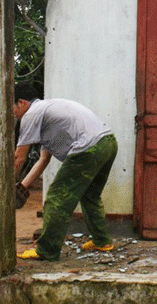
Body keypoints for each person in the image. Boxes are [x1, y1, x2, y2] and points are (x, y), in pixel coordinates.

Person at [13, 82, 118, 260]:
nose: (13, 114)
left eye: (12, 108)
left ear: (22, 103)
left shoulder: (31, 114)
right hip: (108, 143)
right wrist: (22, 186)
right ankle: (102, 241)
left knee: (56, 197)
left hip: (89, 148)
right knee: (89, 195)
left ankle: (46, 251)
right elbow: (43, 159)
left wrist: (5, 187)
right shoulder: (48, 114)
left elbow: (19, 158)